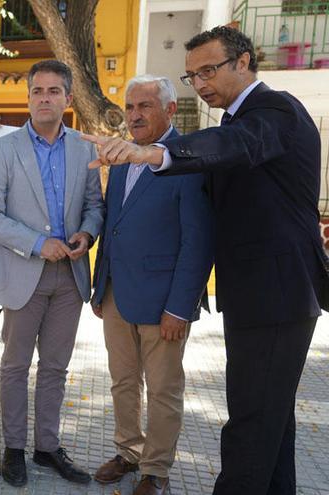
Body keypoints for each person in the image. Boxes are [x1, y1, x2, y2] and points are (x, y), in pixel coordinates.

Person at [83, 26, 325, 495]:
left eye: (209, 70)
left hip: (276, 294)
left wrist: (155, 152)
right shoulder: (234, 123)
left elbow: (233, 148)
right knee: (271, 421)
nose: (201, 83)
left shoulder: (272, 111)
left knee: (251, 425)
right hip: (258, 295)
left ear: (244, 61)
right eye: (193, 75)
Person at [0, 59, 105, 488]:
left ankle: (47, 448)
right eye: (37, 91)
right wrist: (36, 242)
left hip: (69, 277)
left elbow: (94, 205)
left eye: (53, 91)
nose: (44, 98)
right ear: (28, 97)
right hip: (23, 272)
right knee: (15, 366)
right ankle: (14, 449)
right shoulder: (4, 150)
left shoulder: (85, 149)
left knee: (55, 367)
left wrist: (87, 232)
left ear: (68, 98)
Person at [90, 75, 214, 495]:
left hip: (164, 304)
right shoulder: (123, 156)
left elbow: (198, 241)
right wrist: (99, 285)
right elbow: (114, 226)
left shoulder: (186, 159)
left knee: (163, 390)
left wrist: (180, 308)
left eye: (145, 106)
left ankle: (155, 469)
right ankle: (128, 452)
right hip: (115, 295)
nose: (135, 114)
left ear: (170, 110)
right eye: (130, 107)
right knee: (122, 381)